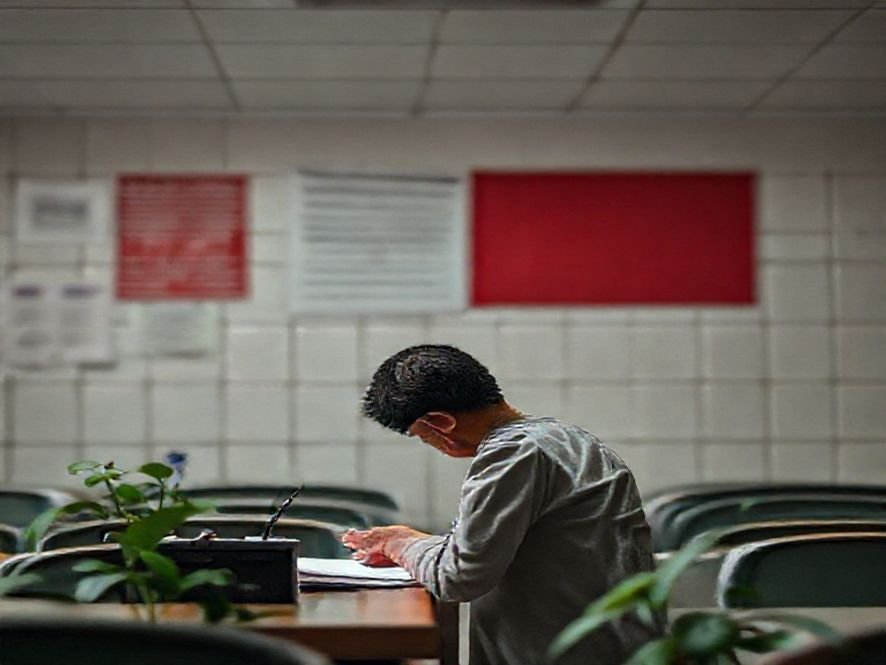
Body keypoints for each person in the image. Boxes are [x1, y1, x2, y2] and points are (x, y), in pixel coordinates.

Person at [343, 344, 661, 665]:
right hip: (618, 647)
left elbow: (459, 576)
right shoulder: (570, 440)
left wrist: (400, 544)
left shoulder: (513, 453)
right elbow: (511, 547)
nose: (433, 445)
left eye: (423, 436)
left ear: (440, 423)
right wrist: (415, 543)